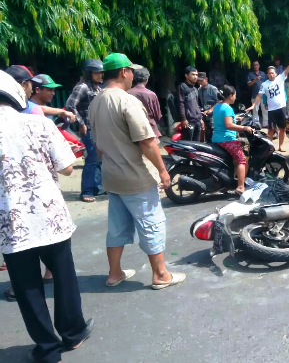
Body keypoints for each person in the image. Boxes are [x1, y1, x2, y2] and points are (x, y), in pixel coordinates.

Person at [0, 69, 93, 363]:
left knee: (28, 289)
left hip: (12, 224)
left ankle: (48, 349)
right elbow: (66, 168)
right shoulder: (38, 123)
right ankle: (73, 333)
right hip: (49, 215)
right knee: (64, 276)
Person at [88, 53, 186, 290]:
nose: (133, 75)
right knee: (151, 222)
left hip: (112, 176)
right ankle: (161, 274)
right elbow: (147, 141)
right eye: (131, 71)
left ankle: (114, 273)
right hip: (135, 177)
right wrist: (163, 170)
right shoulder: (126, 101)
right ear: (124, 72)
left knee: (117, 226)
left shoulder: (96, 102)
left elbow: (98, 146)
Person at [65, 60, 104, 203]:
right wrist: (81, 123)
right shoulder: (82, 87)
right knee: (92, 160)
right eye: (97, 73)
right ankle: (86, 191)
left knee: (99, 159)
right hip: (89, 129)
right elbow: (70, 105)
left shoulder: (97, 88)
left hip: (99, 129)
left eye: (101, 73)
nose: (101, 75)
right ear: (89, 73)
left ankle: (98, 188)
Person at [247, 53, 289, 152]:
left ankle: (281, 146)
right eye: (269, 73)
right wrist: (253, 105)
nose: (271, 74)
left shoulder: (280, 78)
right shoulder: (264, 84)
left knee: (282, 128)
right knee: (271, 130)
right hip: (271, 110)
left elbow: (288, 69)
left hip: (281, 108)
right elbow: (259, 96)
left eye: (272, 73)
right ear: (267, 75)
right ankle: (269, 147)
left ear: (275, 73)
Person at [212, 85, 254, 194]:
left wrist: (237, 118)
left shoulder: (217, 106)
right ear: (230, 96)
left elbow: (224, 119)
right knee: (242, 159)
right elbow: (229, 125)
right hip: (226, 139)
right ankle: (240, 187)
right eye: (234, 95)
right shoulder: (228, 108)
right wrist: (244, 127)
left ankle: (232, 181)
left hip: (216, 139)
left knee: (235, 159)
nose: (235, 97)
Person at [127, 67, 162, 138]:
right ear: (147, 80)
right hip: (150, 128)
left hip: (132, 128)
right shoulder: (151, 94)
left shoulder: (127, 93)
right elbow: (158, 115)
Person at [177, 66, 203, 141]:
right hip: (189, 120)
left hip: (197, 119)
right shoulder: (182, 87)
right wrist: (183, 119)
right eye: (193, 74)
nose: (195, 77)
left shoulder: (195, 89)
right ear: (186, 75)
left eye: (196, 75)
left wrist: (200, 119)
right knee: (188, 143)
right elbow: (181, 104)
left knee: (197, 143)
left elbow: (196, 105)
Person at [197, 72, 219, 143]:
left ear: (206, 79)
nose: (200, 82)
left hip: (213, 114)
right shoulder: (199, 90)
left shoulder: (213, 89)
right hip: (204, 114)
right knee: (206, 133)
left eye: (201, 80)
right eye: (198, 81)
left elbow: (219, 102)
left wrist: (211, 109)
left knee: (213, 132)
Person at [247, 60, 268, 128]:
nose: (256, 66)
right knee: (255, 110)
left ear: (259, 65)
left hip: (263, 95)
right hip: (255, 95)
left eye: (257, 65)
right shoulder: (250, 74)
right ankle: (256, 124)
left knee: (265, 110)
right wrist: (255, 80)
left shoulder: (263, 73)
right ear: (253, 66)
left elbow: (267, 83)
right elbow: (249, 84)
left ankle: (265, 123)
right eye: (254, 65)